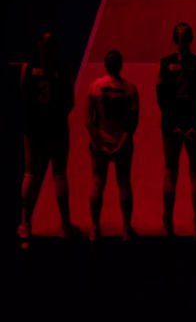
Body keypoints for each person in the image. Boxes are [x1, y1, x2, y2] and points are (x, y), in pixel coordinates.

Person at [19, 32, 79, 248]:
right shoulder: (64, 70)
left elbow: (24, 97)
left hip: (33, 127)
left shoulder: (27, 68)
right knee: (59, 174)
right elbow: (70, 102)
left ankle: (25, 224)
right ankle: (65, 225)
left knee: (29, 173)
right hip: (56, 127)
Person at [157, 22, 196, 239]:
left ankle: (167, 225)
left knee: (170, 174)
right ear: (191, 38)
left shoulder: (164, 64)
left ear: (174, 39)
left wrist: (173, 125)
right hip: (194, 124)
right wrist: (194, 124)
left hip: (171, 126)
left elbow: (162, 98)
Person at [86, 50, 139, 242]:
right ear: (121, 65)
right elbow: (133, 122)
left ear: (105, 65)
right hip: (121, 142)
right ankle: (126, 227)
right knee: (124, 183)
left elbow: (88, 121)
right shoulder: (130, 89)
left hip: (100, 142)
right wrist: (122, 143)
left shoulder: (94, 87)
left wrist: (99, 142)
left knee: (97, 183)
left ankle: (94, 227)